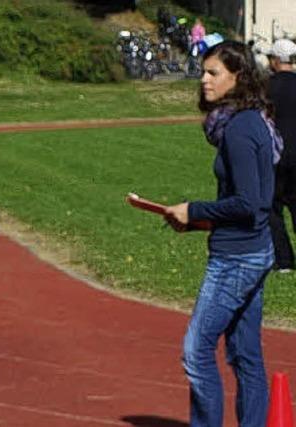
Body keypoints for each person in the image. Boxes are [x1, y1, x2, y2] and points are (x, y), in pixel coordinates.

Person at [164, 41, 283, 426]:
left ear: (238, 76)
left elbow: (249, 202)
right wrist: (200, 221)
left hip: (238, 258)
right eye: (203, 71)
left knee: (196, 351)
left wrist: (194, 209)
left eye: (213, 73)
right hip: (253, 248)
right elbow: (250, 202)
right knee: (245, 353)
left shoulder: (239, 128)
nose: (204, 80)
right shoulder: (251, 121)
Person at [267, 38, 296, 272]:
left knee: (273, 207)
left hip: (275, 154)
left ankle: (283, 258)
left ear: (276, 60)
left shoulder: (266, 87)